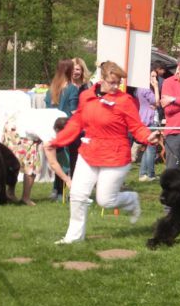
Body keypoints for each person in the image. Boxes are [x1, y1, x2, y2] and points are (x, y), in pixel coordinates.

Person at [45, 61, 158, 244]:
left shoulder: (125, 101)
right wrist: (57, 141)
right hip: (89, 152)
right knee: (77, 194)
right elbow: (76, 123)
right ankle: (73, 238)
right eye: (111, 82)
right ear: (101, 79)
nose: (115, 87)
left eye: (118, 83)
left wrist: (148, 136)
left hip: (115, 155)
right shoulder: (87, 97)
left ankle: (131, 199)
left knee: (105, 200)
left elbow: (137, 127)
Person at [2, 108, 72, 205]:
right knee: (30, 164)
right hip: (16, 130)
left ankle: (11, 193)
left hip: (16, 120)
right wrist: (67, 179)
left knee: (17, 163)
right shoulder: (48, 133)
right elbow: (53, 163)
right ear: (56, 130)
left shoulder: (63, 115)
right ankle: (23, 198)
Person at [45, 59, 80, 200]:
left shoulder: (51, 89)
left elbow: (47, 109)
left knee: (57, 160)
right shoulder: (71, 88)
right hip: (67, 128)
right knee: (68, 161)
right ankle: (63, 192)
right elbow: (73, 111)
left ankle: (56, 190)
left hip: (53, 128)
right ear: (69, 71)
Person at [137, 67, 161, 181]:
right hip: (149, 120)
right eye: (152, 76)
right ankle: (150, 174)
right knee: (152, 148)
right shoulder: (146, 89)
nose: (154, 79)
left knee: (148, 148)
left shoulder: (142, 89)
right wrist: (156, 87)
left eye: (155, 76)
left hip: (146, 118)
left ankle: (143, 174)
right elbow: (156, 101)